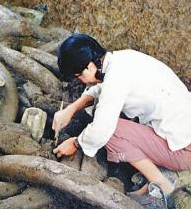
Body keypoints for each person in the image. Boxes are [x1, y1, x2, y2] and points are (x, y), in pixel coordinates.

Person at [52, 34, 191, 196]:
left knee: (112, 131)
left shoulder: (115, 78)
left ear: (90, 66)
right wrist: (71, 109)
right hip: (185, 126)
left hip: (185, 150)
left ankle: (161, 184)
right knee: (110, 114)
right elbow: (102, 88)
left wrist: (76, 143)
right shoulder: (122, 58)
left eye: (80, 76)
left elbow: (101, 130)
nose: (82, 81)